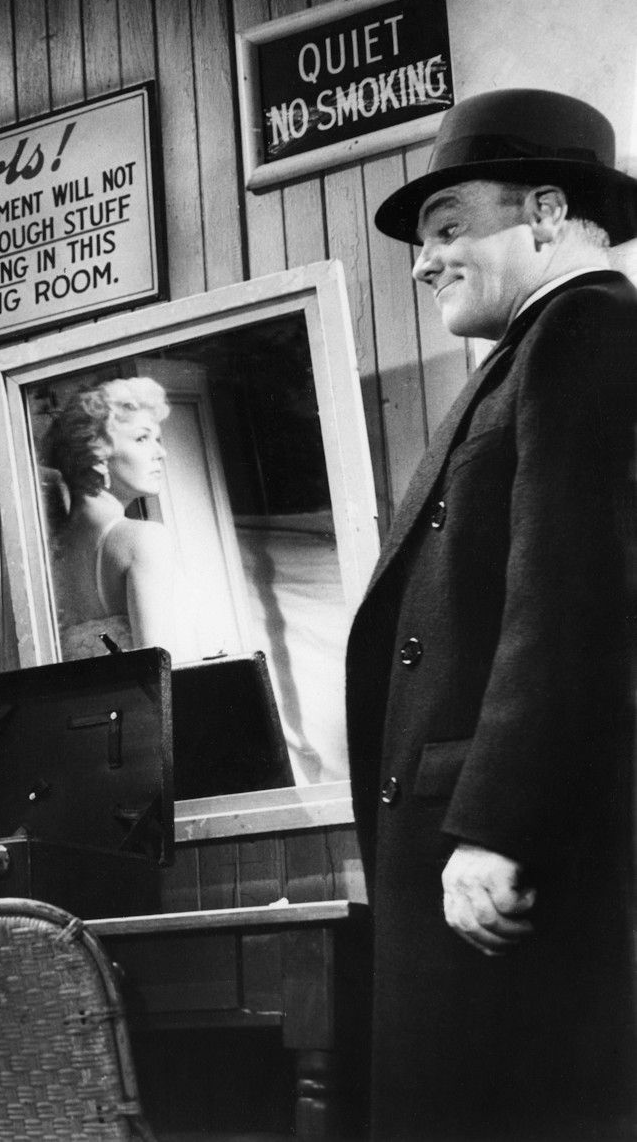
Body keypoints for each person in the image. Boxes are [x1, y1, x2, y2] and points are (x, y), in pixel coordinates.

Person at [348, 88, 637, 1140]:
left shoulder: (587, 331)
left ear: (548, 212)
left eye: (446, 227)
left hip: (505, 862)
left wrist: (497, 827)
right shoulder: (538, 346)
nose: (422, 264)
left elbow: (573, 596)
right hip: (469, 857)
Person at [43, 376, 196, 662]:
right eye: (142, 438)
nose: (161, 453)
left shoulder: (49, 553)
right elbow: (160, 672)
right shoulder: (145, 539)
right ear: (97, 455)